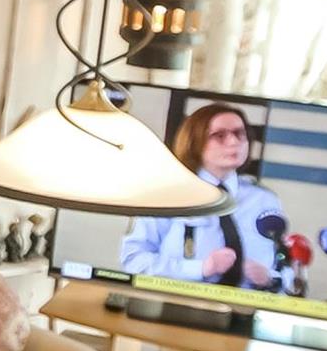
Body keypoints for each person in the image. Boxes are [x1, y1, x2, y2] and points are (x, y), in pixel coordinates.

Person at [120, 99, 291, 289]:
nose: (234, 142)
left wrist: (271, 278)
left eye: (239, 134)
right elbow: (134, 260)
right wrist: (200, 268)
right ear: (195, 142)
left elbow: (287, 265)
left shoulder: (264, 200)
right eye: (220, 135)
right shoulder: (168, 195)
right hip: (178, 301)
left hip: (247, 304)